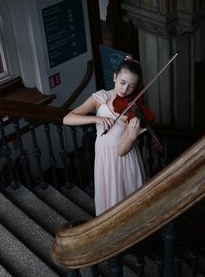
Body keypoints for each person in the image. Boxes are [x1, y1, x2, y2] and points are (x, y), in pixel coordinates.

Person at [63, 57, 148, 216]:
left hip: (124, 156)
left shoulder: (134, 108)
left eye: (132, 86)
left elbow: (122, 151)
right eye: (122, 82)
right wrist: (97, 118)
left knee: (127, 203)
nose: (125, 90)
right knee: (109, 198)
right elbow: (67, 119)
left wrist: (131, 135)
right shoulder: (100, 98)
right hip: (104, 155)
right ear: (115, 77)